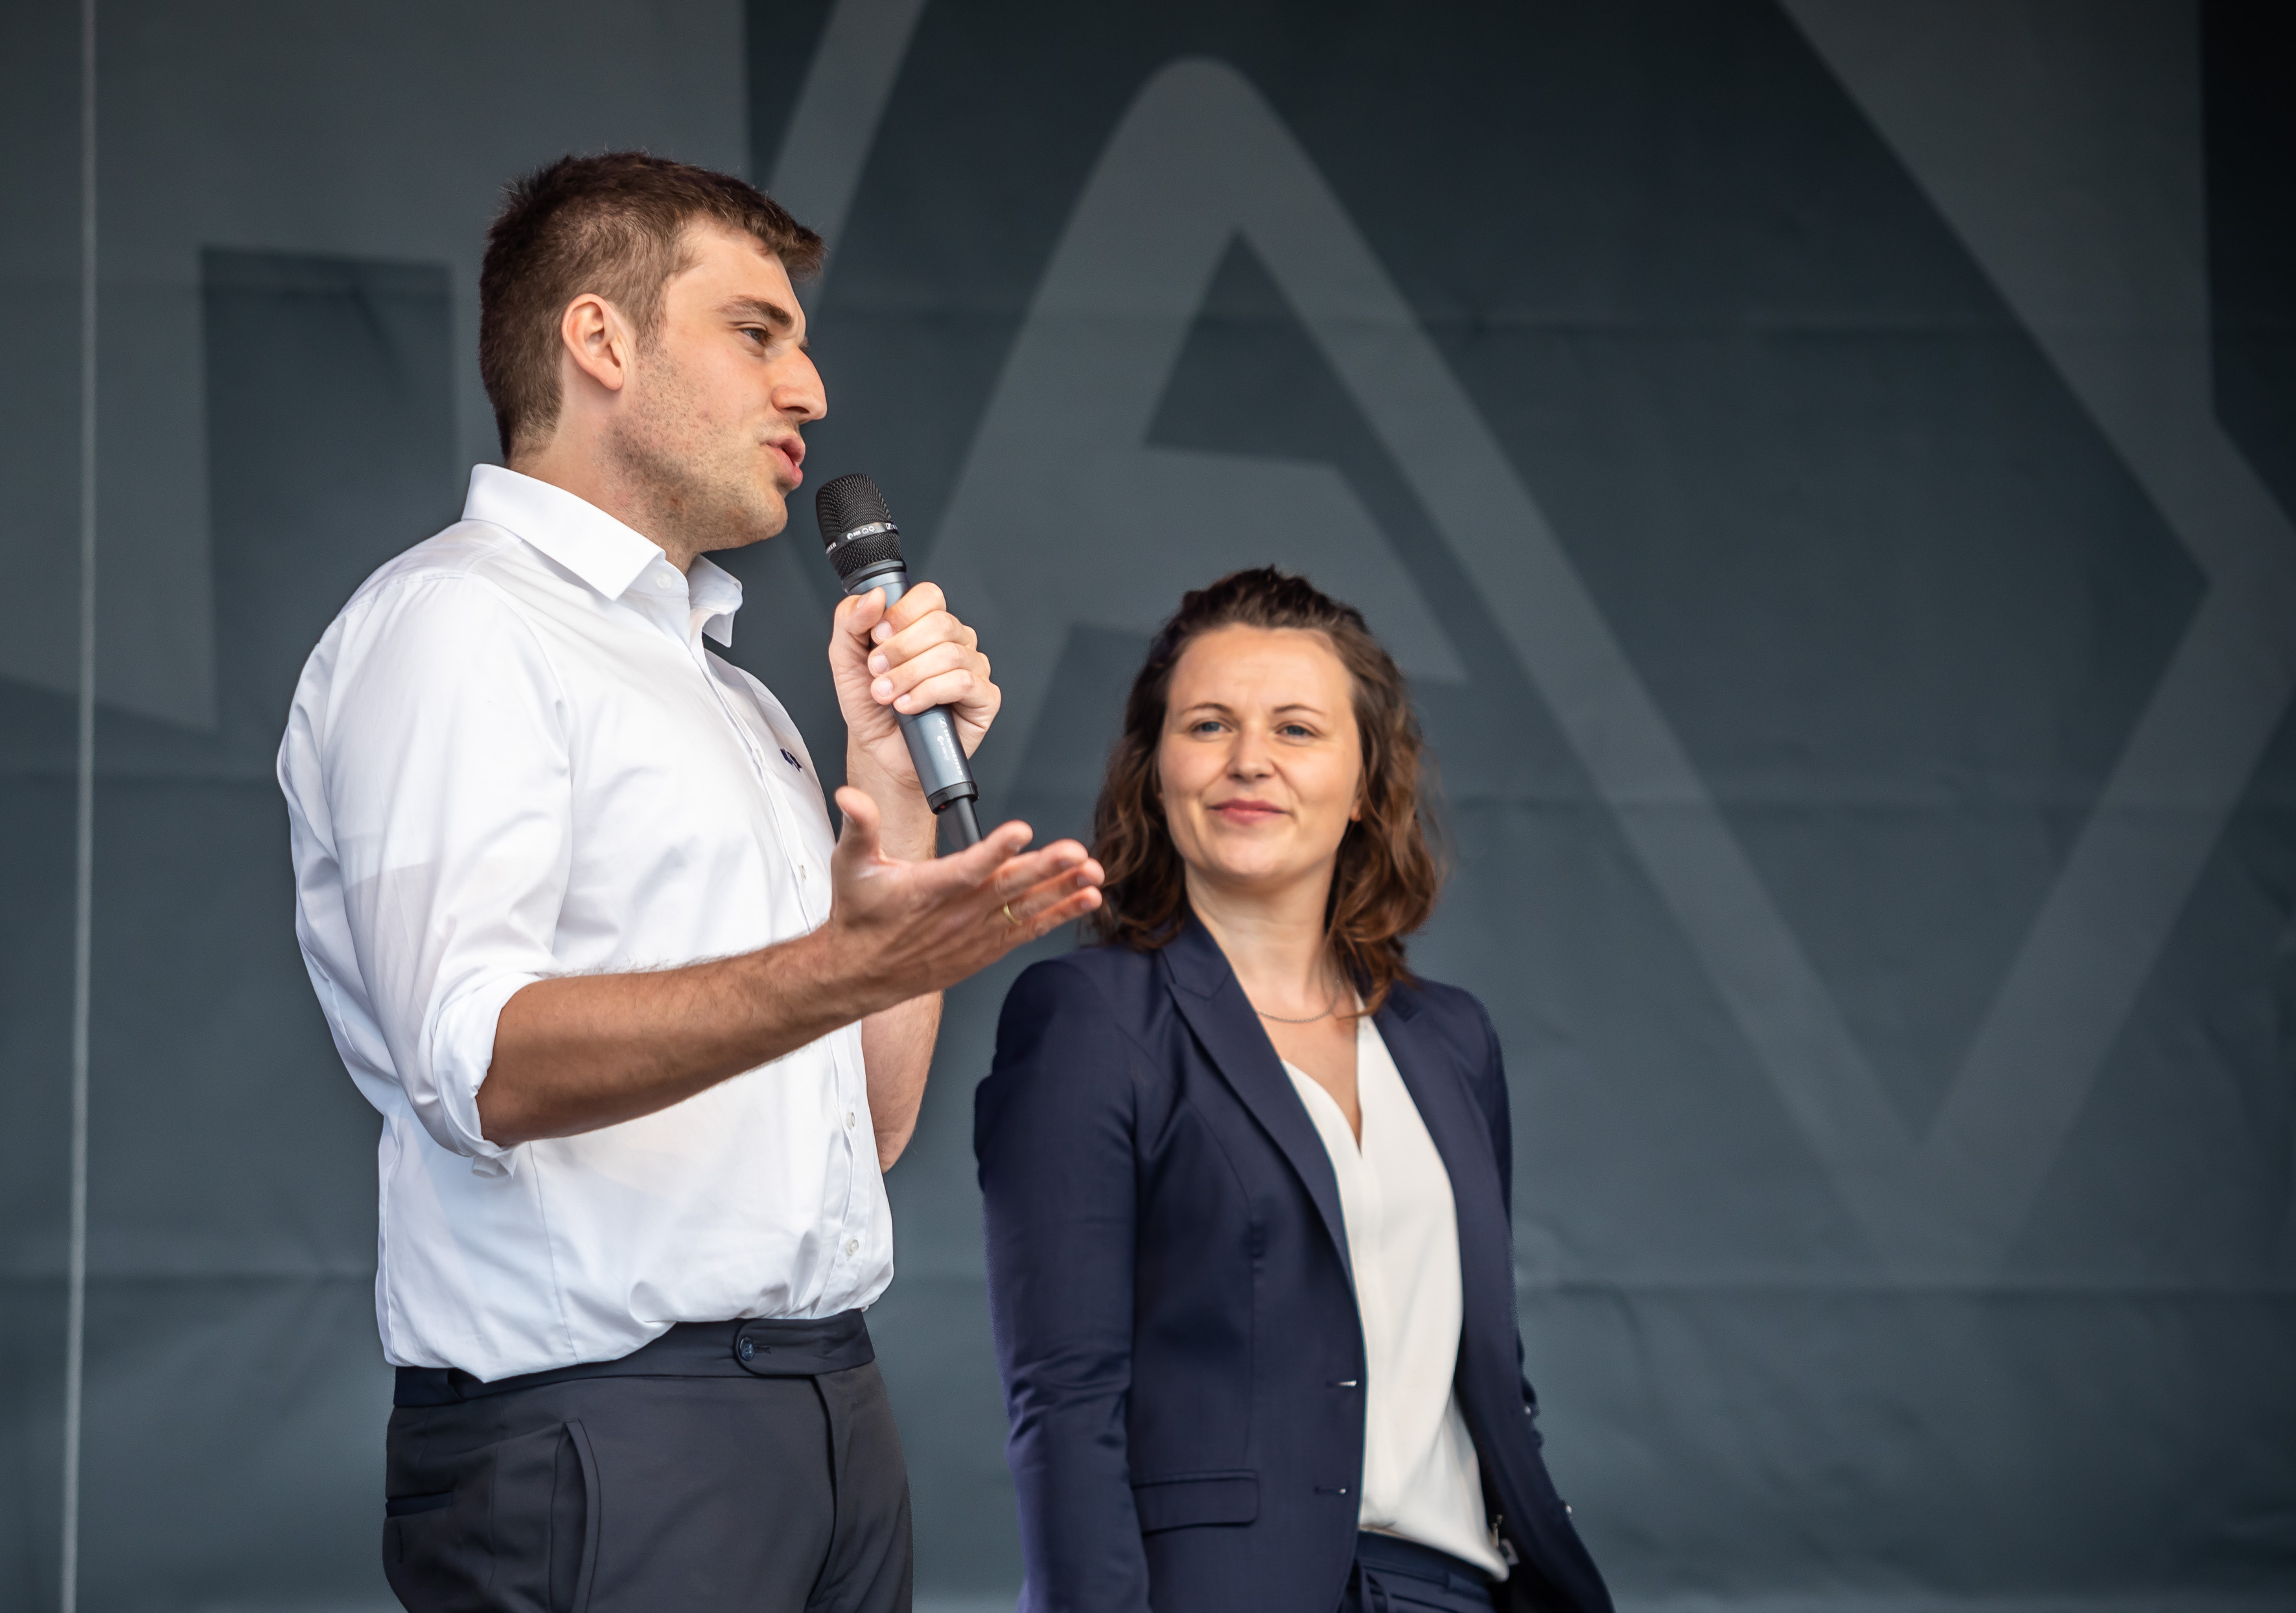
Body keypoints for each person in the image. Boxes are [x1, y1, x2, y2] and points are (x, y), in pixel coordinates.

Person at [277, 152, 1103, 1613]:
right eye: (757, 333)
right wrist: (837, 968)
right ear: (599, 341)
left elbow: (871, 1117)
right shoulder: (459, 627)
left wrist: (895, 795)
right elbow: (474, 1066)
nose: (811, 392)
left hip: (829, 1411)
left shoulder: (742, 707)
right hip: (606, 1437)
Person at [974, 570, 1612, 1613]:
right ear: (1155, 769)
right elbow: (1065, 1398)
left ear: (1365, 782)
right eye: (1209, 723)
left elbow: (1488, 1372)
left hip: (1465, 1590)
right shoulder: (1088, 1016)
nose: (1249, 761)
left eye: (1298, 729)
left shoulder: (1451, 1040)